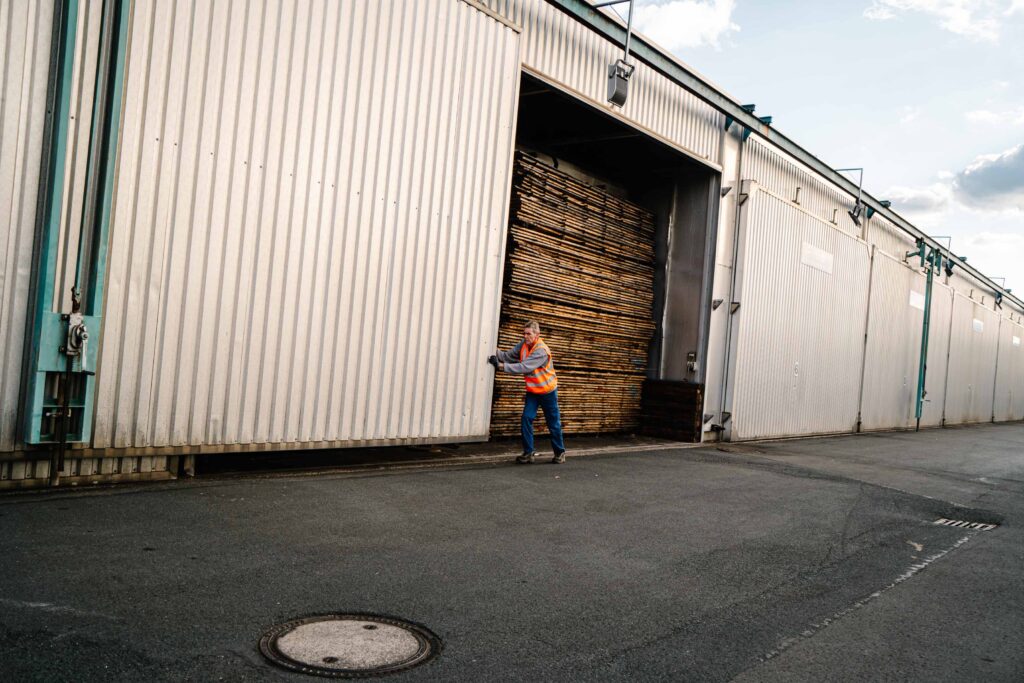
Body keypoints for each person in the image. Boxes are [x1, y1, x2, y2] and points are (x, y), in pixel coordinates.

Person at [488, 320, 566, 464]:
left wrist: (500, 366)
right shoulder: (523, 344)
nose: (525, 336)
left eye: (529, 334)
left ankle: (560, 452)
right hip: (533, 392)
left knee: (553, 423)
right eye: (524, 333)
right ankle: (528, 453)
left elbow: (524, 367)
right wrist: (489, 347)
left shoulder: (541, 351)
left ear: (537, 335)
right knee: (526, 418)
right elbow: (507, 356)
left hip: (547, 392)